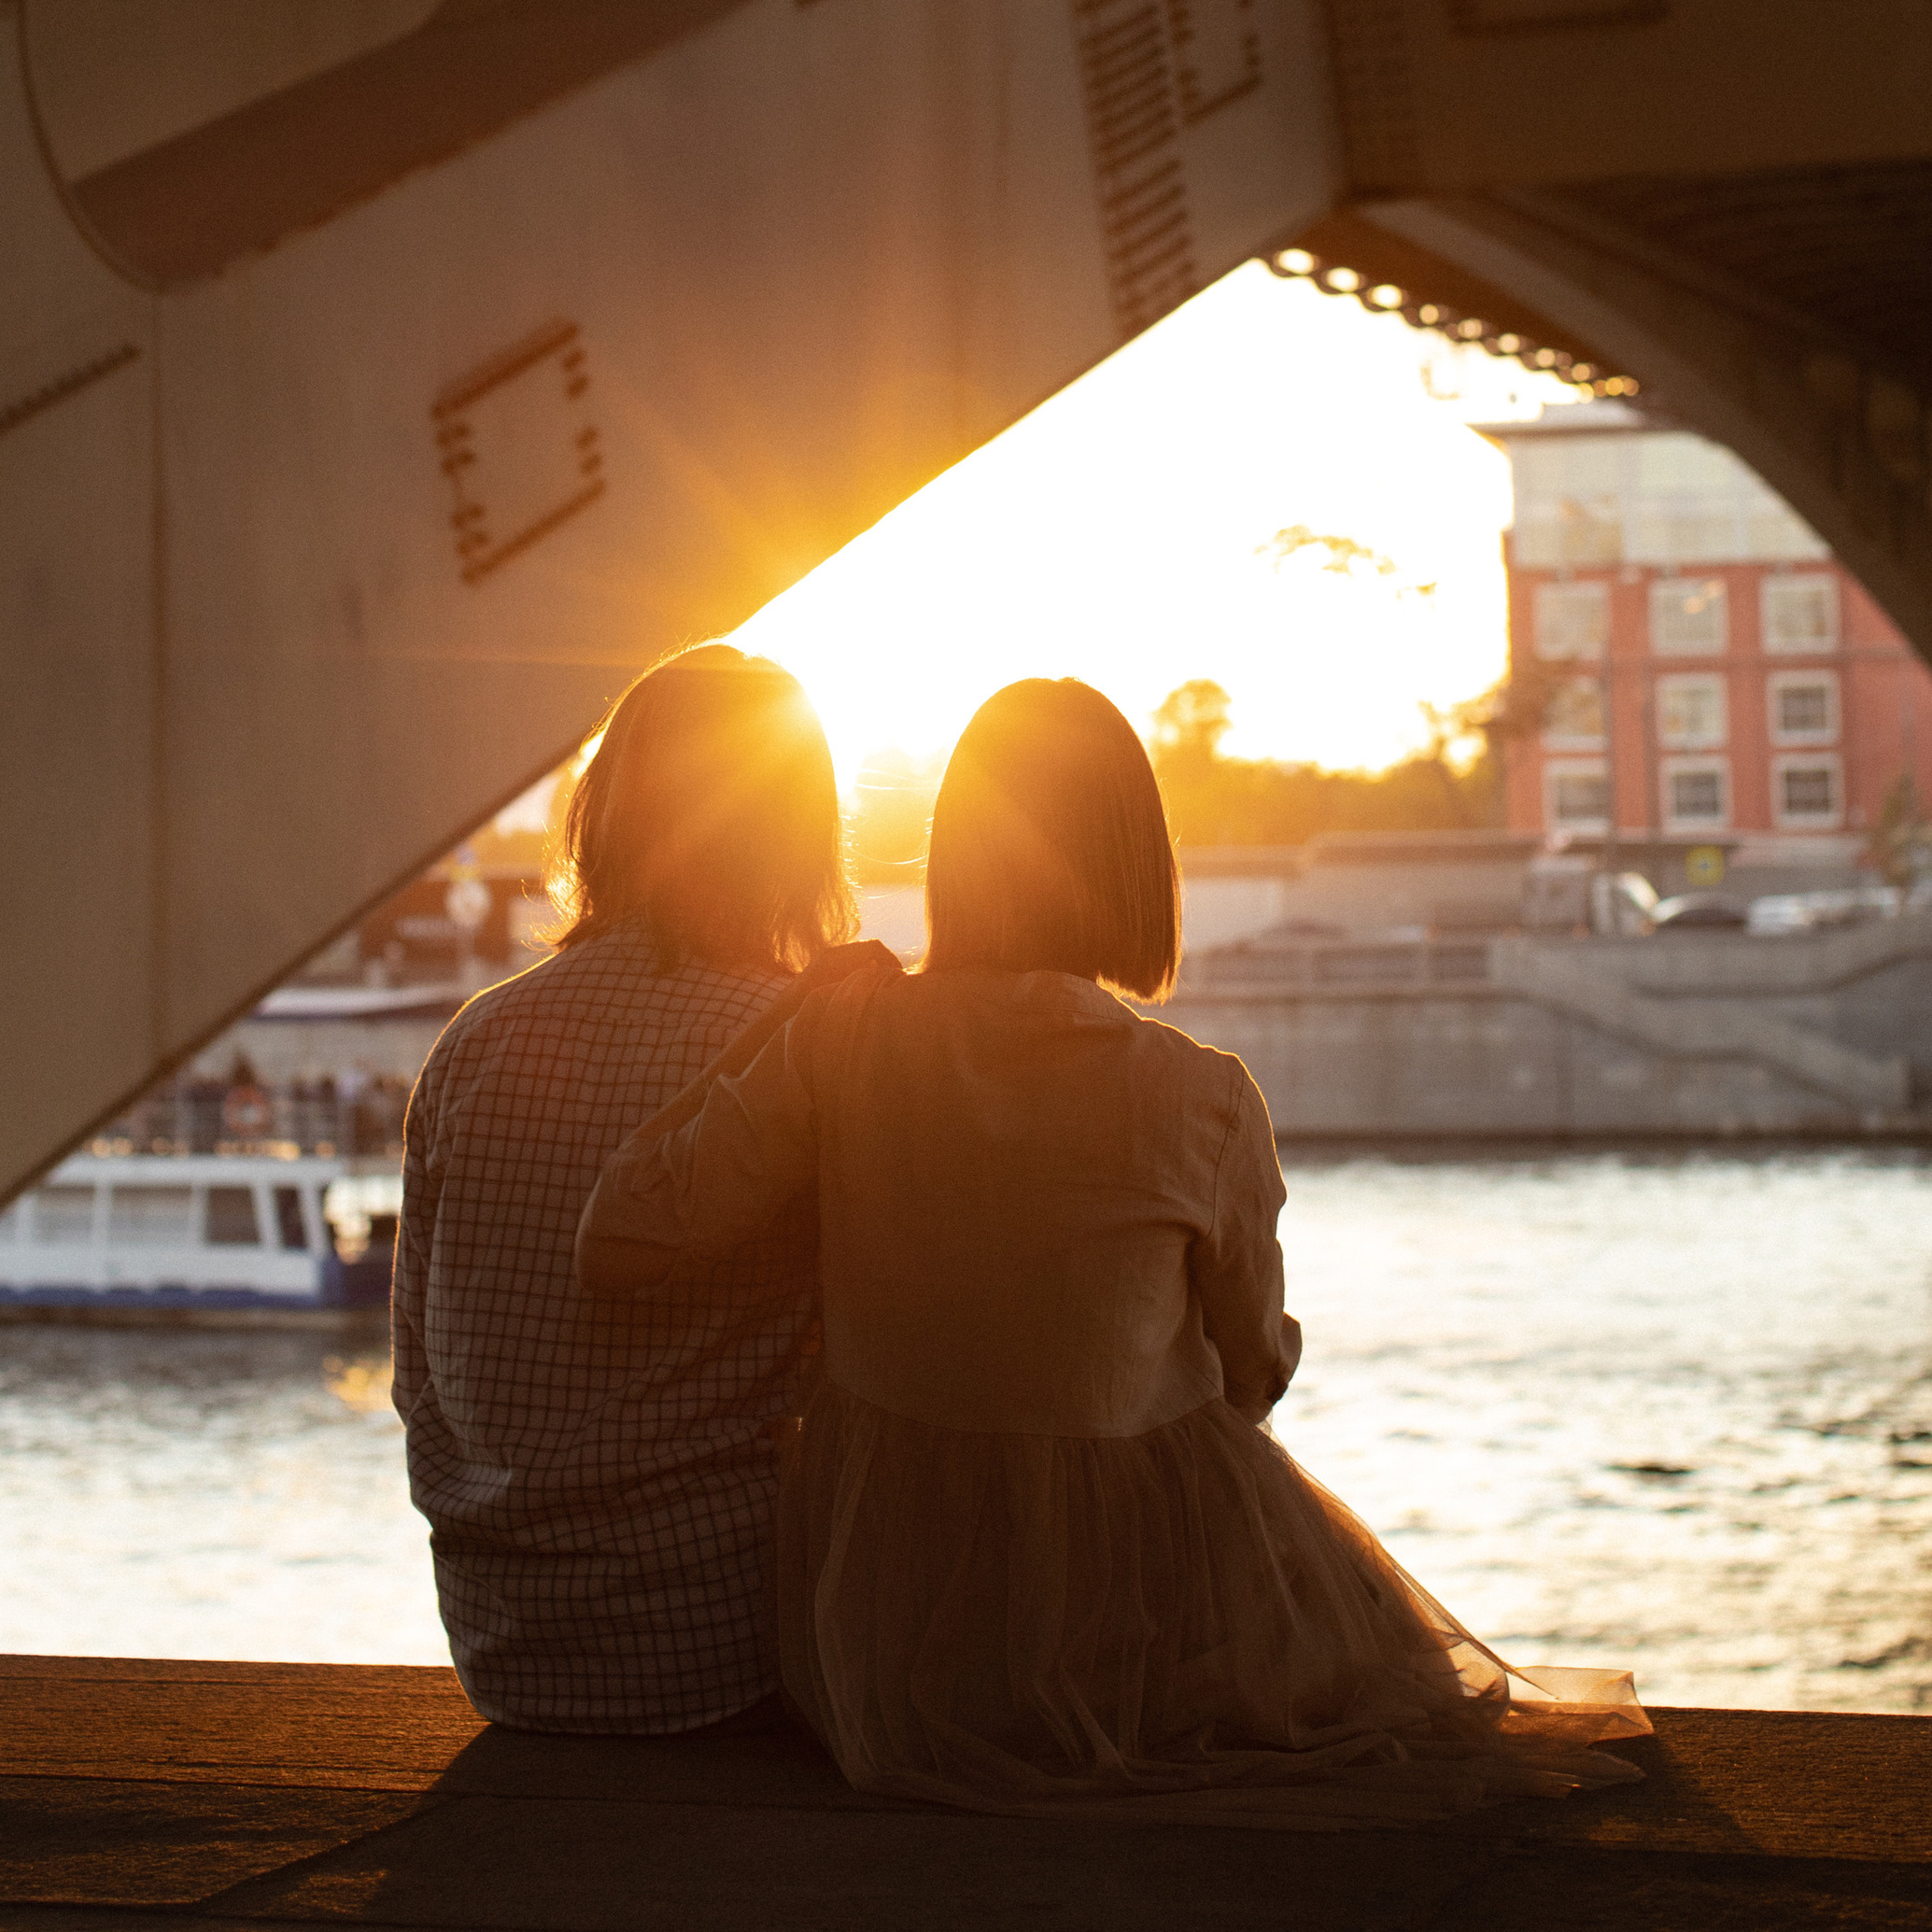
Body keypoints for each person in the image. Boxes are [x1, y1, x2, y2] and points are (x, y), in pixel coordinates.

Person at [580, 677, 1649, 1825]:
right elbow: (1255, 1376)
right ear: (1138, 868)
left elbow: (626, 1233)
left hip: (887, 1648)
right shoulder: (1203, 1098)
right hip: (1139, 1636)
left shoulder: (842, 1034)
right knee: (1404, 1688)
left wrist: (787, 1021)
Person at [392, 643, 861, 1735]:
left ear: (601, 815)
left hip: (499, 1638)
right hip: (718, 1642)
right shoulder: (794, 1045)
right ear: (798, 836)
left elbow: (419, 1367)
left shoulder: (473, 1041)